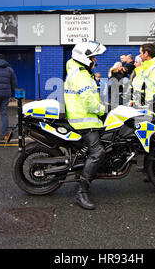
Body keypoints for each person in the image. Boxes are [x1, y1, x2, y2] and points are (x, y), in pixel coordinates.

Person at [64, 41, 107, 210]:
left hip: (80, 117)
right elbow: (89, 103)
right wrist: (103, 109)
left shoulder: (77, 71)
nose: (95, 60)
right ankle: (81, 192)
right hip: (84, 120)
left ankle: (81, 174)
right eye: (93, 57)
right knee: (98, 151)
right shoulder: (81, 75)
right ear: (85, 58)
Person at [132, 43, 155, 110]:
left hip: (150, 109)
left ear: (146, 53)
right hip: (142, 107)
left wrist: (147, 107)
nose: (140, 55)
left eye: (141, 53)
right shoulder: (146, 67)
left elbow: (154, 92)